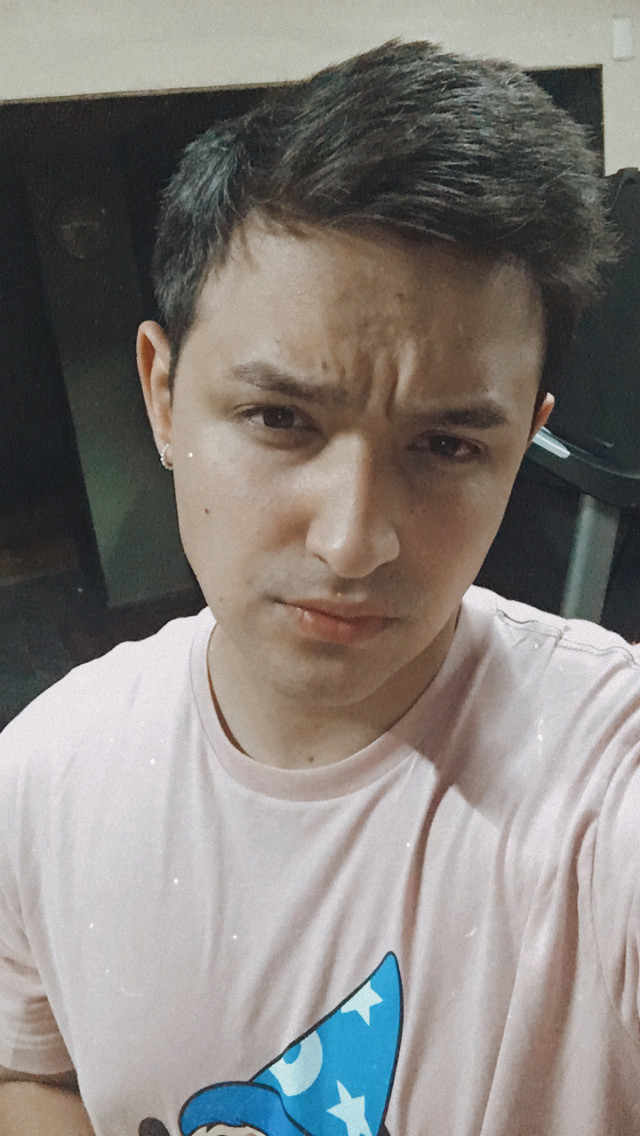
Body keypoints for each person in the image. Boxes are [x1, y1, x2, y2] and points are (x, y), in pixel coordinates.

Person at [0, 37, 637, 1136]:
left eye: (447, 445)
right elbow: (36, 1066)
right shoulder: (42, 776)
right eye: (280, 419)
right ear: (162, 394)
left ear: (525, 441)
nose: (352, 543)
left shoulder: (599, 783)